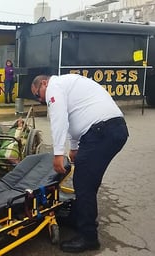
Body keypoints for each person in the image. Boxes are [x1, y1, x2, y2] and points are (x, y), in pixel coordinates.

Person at [31, 74, 129, 253]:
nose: (40, 100)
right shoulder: (68, 85)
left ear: (44, 83)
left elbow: (59, 119)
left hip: (101, 131)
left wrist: (58, 154)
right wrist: (74, 147)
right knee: (88, 180)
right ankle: (81, 217)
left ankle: (89, 237)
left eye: (38, 95)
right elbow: (74, 120)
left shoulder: (54, 86)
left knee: (83, 182)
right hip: (110, 130)